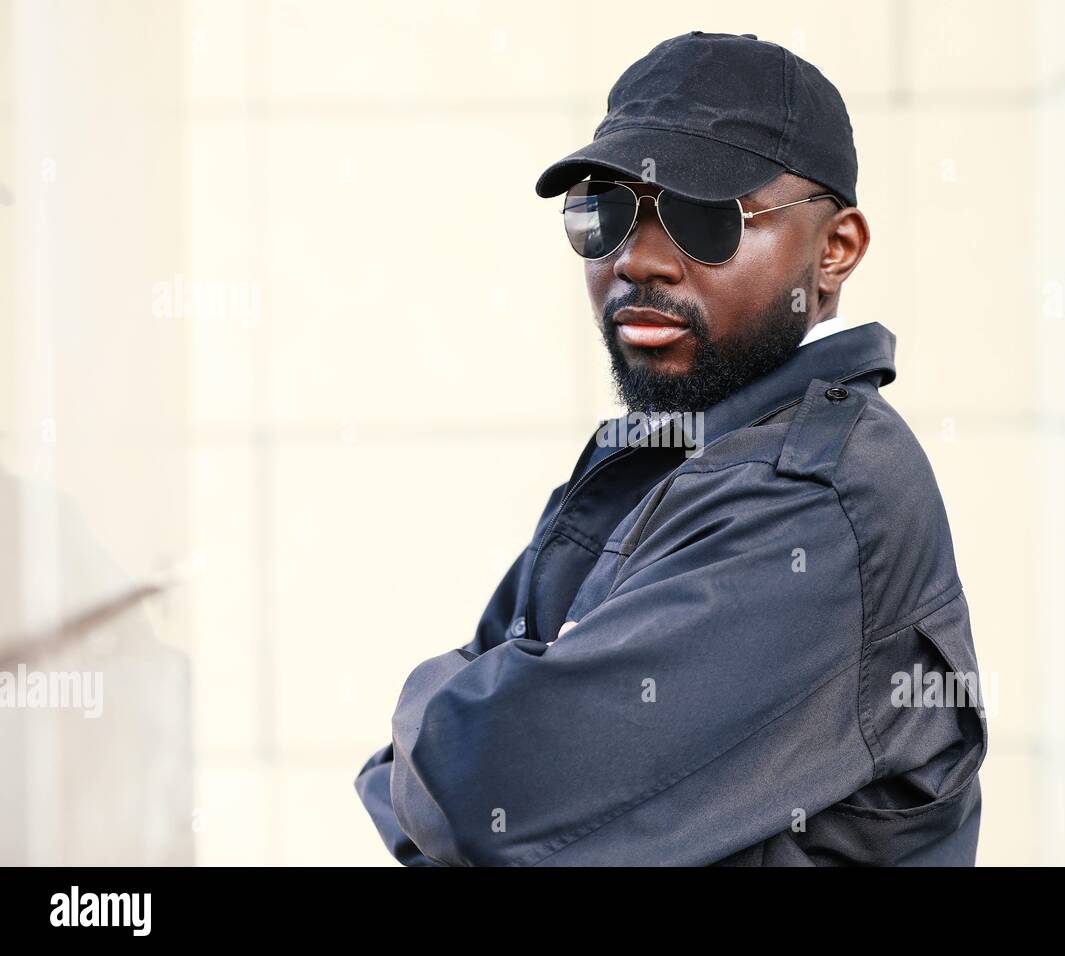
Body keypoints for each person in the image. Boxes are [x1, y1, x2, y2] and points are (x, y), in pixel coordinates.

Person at [355, 30, 987, 866]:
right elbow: (414, 774)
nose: (639, 260)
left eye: (705, 217)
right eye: (605, 213)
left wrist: (453, 717)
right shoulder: (667, 447)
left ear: (834, 251)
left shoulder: (820, 498)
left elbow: (480, 789)